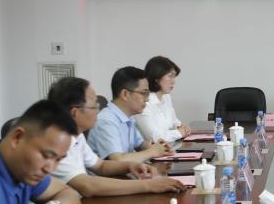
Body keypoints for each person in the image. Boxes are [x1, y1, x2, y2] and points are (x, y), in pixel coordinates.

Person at [47, 76, 186, 196]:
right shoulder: (56, 142)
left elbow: (100, 165)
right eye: (94, 106)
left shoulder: (76, 135)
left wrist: (130, 166)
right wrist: (148, 185)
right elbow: (87, 186)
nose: (98, 110)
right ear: (75, 113)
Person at [88, 66, 174, 162]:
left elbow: (139, 145)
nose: (147, 99)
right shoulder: (106, 121)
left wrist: (156, 146)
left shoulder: (128, 117)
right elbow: (117, 160)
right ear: (125, 94)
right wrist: (152, 152)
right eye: (144, 93)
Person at [135, 56, 191, 143]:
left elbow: (174, 121)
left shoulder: (166, 96)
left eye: (174, 77)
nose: (173, 82)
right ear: (156, 78)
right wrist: (180, 133)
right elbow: (154, 137)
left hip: (167, 147)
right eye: (170, 76)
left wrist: (180, 126)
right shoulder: (144, 101)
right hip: (151, 149)